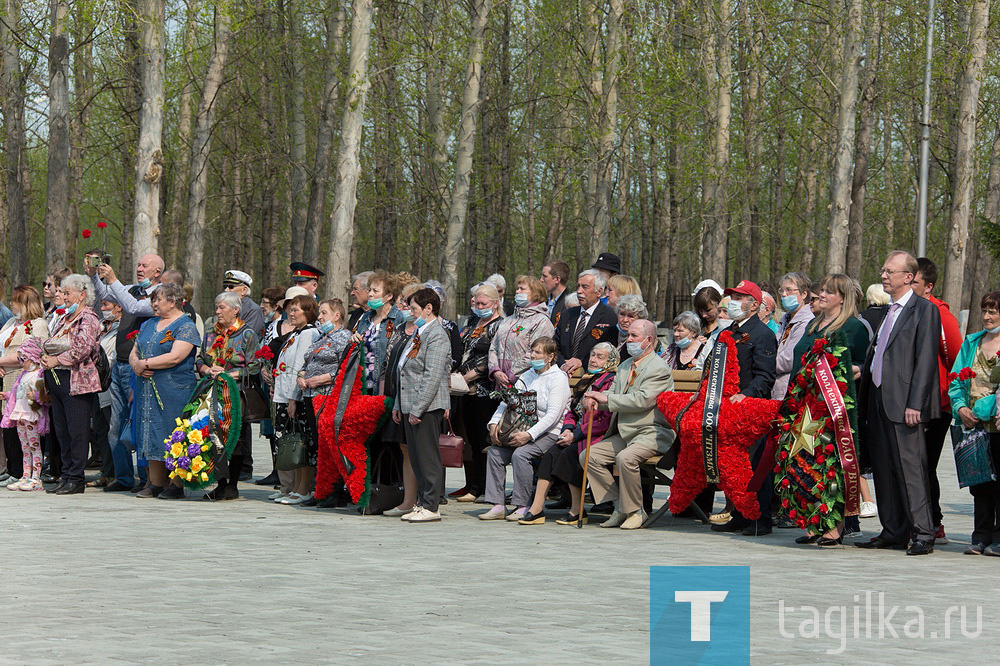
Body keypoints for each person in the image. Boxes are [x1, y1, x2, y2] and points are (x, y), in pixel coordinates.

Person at [855, 251, 941, 556]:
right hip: (878, 400)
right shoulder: (889, 311)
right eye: (882, 270)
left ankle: (923, 533)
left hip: (905, 404)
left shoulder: (924, 311)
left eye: (890, 271)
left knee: (911, 471)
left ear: (908, 277)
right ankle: (892, 531)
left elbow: (926, 360)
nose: (883, 275)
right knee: (883, 468)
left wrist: (916, 403)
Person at [582, 319, 675, 529]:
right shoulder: (625, 365)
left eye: (634, 336)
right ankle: (618, 507)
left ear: (649, 340)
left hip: (651, 432)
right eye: (628, 335)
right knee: (589, 456)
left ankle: (635, 511)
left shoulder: (659, 369)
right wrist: (595, 398)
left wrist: (606, 399)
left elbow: (642, 400)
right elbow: (612, 394)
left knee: (625, 458)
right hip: (626, 433)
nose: (628, 339)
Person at [86, 252, 163, 492]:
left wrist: (114, 279)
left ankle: (147, 478)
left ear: (157, 272)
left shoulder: (159, 294)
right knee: (115, 425)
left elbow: (133, 307)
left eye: (144, 265)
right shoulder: (131, 288)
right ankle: (122, 477)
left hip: (138, 368)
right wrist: (95, 275)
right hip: (118, 365)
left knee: (138, 423)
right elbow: (104, 296)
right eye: (138, 263)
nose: (139, 268)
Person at [520, 343, 618, 525]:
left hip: (596, 436)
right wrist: (568, 429)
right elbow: (572, 411)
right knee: (551, 454)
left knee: (570, 455)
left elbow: (603, 420)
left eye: (600, 357)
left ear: (610, 361)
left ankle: (577, 510)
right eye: (593, 355)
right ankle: (536, 509)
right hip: (576, 433)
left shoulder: (610, 382)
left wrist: (576, 435)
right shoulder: (587, 380)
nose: (594, 360)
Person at [710, 280, 777, 536]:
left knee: (756, 465)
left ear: (754, 305)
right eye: (732, 297)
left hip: (751, 410)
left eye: (739, 297)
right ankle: (739, 514)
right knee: (734, 466)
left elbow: (765, 376)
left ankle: (761, 519)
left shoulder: (763, 335)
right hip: (726, 410)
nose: (733, 302)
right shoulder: (728, 333)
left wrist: (745, 395)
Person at [481, 336, 570, 522]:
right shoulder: (528, 375)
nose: (533, 355)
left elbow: (553, 415)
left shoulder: (558, 378)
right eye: (532, 351)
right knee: (495, 453)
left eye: (538, 352)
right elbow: (508, 401)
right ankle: (497, 504)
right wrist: (494, 423)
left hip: (548, 432)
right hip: (520, 427)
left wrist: (529, 435)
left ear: (550, 356)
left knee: (520, 455)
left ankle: (523, 505)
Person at [128, 283, 200, 500]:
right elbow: (134, 351)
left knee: (172, 433)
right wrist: (136, 364)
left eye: (158, 299)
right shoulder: (148, 324)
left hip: (173, 389)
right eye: (153, 300)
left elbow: (176, 356)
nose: (154, 304)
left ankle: (176, 484)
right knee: (151, 431)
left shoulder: (185, 325)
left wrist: (146, 363)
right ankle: (156, 483)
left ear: (172, 301)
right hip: (147, 389)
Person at [912, 257, 962, 544]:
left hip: (935, 405)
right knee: (913, 465)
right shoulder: (907, 311)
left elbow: (957, 360)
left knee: (925, 464)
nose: (909, 285)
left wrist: (946, 396)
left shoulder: (942, 316)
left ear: (928, 286)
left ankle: (935, 522)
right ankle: (916, 520)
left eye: (915, 282)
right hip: (910, 403)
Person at [947, 291, 1000, 555]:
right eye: (985, 311)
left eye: (994, 311)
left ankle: (999, 538)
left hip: (998, 424)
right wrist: (961, 407)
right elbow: (955, 380)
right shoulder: (971, 343)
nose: (987, 317)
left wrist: (988, 407)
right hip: (974, 425)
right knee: (980, 484)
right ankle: (980, 537)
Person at [393, 287, 452, 523]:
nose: (411, 312)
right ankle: (421, 502)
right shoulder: (418, 334)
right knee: (416, 457)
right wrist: (399, 404)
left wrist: (418, 409)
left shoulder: (437, 335)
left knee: (428, 457)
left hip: (426, 407)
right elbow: (403, 371)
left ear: (429, 308)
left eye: (415, 308)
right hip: (409, 405)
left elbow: (432, 376)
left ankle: (431, 504)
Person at [40, 274, 103, 495]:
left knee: (77, 431)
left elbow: (82, 348)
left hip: (77, 381)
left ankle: (76, 477)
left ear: (82, 295)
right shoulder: (65, 317)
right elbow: (50, 342)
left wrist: (56, 359)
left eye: (67, 293)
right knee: (62, 430)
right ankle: (66, 474)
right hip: (57, 379)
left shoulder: (88, 318)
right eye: (63, 293)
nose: (63, 297)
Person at [196, 291, 261, 500]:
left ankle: (233, 484)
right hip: (212, 391)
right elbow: (200, 360)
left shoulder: (247, 334)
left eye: (222, 307)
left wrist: (231, 373)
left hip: (236, 392)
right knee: (213, 435)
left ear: (235, 310)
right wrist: (207, 370)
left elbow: (255, 365)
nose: (217, 312)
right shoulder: (210, 334)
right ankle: (220, 483)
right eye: (216, 307)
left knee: (236, 438)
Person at [296, 299, 353, 507]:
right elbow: (306, 362)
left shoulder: (344, 337)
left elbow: (345, 369)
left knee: (330, 445)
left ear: (337, 316)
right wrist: (301, 376)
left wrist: (320, 379)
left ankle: (336, 492)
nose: (319, 317)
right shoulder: (321, 337)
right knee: (319, 445)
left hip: (329, 396)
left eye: (324, 313)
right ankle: (322, 489)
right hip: (310, 396)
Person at [452, 282, 504, 503]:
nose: (478, 306)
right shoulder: (472, 322)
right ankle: (473, 485)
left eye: (483, 303)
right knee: (471, 439)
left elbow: (492, 356)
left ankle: (485, 488)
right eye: (476, 302)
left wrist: (469, 377)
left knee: (484, 441)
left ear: (494, 304)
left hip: (485, 389)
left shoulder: (500, 325)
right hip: (464, 390)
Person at [268, 295, 319, 504]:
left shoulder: (309, 333)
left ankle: (304, 487)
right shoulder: (294, 334)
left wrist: (293, 398)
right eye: (291, 309)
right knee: (288, 442)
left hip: (295, 397)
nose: (292, 313)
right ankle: (292, 487)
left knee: (300, 442)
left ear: (308, 312)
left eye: (297, 309)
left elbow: (299, 367)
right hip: (283, 394)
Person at [381, 283, 424, 516]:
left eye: (409, 302)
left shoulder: (426, 331)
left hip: (417, 399)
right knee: (404, 448)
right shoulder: (397, 328)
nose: (404, 306)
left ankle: (421, 500)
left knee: (418, 450)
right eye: (403, 301)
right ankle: (406, 499)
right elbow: (386, 364)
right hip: (396, 396)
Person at [0, 286, 49, 487]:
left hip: (23, 378)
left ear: (26, 303)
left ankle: (27, 472)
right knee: (9, 427)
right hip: (6, 376)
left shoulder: (37, 325)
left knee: (27, 431)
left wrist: (1, 362)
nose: (12, 304)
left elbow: (29, 353)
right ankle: (14, 469)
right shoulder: (11, 322)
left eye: (16, 300)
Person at [488, 276, 555, 387]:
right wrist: (496, 371)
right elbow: (494, 347)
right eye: (517, 288)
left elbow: (536, 353)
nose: (517, 291)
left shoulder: (542, 322)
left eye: (522, 289)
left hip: (524, 383)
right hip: (500, 383)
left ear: (535, 293)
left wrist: (511, 375)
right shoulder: (507, 320)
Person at [554, 269, 617, 375]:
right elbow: (555, 346)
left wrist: (582, 362)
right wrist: (563, 364)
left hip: (593, 377)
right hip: (563, 374)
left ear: (599, 292)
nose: (579, 291)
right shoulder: (567, 314)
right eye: (578, 286)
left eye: (585, 287)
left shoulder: (609, 317)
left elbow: (610, 352)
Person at [352, 270, 406, 394]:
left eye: (375, 291)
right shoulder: (366, 317)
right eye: (369, 290)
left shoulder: (399, 319)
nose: (370, 294)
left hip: (384, 387)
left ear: (389, 296)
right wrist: (354, 339)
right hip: (362, 385)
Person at [87, 299, 121, 488]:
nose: (102, 309)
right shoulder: (100, 326)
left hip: (111, 382)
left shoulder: (122, 327)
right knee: (100, 430)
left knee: (112, 429)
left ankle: (118, 473)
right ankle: (106, 473)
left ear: (119, 307)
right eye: (101, 305)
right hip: (94, 382)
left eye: (107, 305)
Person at [772, 272, 815, 400]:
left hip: (788, 390)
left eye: (789, 290)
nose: (784, 294)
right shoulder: (786, 319)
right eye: (782, 290)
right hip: (775, 386)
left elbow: (789, 359)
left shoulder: (807, 321)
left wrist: (763, 364)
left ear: (803, 294)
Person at [222, 270, 265, 337]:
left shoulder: (253, 310)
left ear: (244, 290)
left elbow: (247, 337)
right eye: (225, 287)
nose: (226, 290)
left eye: (231, 287)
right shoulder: (225, 307)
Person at [614, 294, 651, 361]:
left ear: (640, 318)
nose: (625, 320)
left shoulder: (642, 340)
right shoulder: (609, 333)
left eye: (630, 316)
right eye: (622, 314)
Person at [541, 259, 570, 324]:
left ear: (557, 279)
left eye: (545, 276)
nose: (541, 280)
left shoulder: (570, 304)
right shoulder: (542, 301)